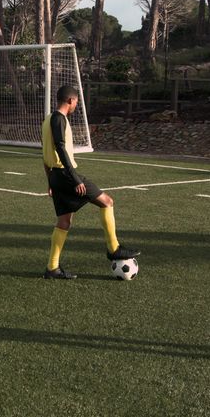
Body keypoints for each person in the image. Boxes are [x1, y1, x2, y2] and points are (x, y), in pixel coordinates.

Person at [42, 85, 139, 279]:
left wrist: (50, 181)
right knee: (107, 202)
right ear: (70, 100)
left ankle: (52, 268)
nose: (76, 105)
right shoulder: (59, 119)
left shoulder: (47, 120)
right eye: (76, 102)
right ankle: (113, 248)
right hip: (66, 175)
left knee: (64, 221)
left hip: (55, 175)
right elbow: (60, 148)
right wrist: (75, 179)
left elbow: (45, 152)